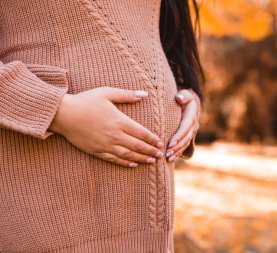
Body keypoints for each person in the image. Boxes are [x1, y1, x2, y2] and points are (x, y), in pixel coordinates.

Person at [0, 0, 204, 252]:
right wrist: (58, 110)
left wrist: (187, 97)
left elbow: (164, 42)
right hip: (47, 203)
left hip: (149, 218)